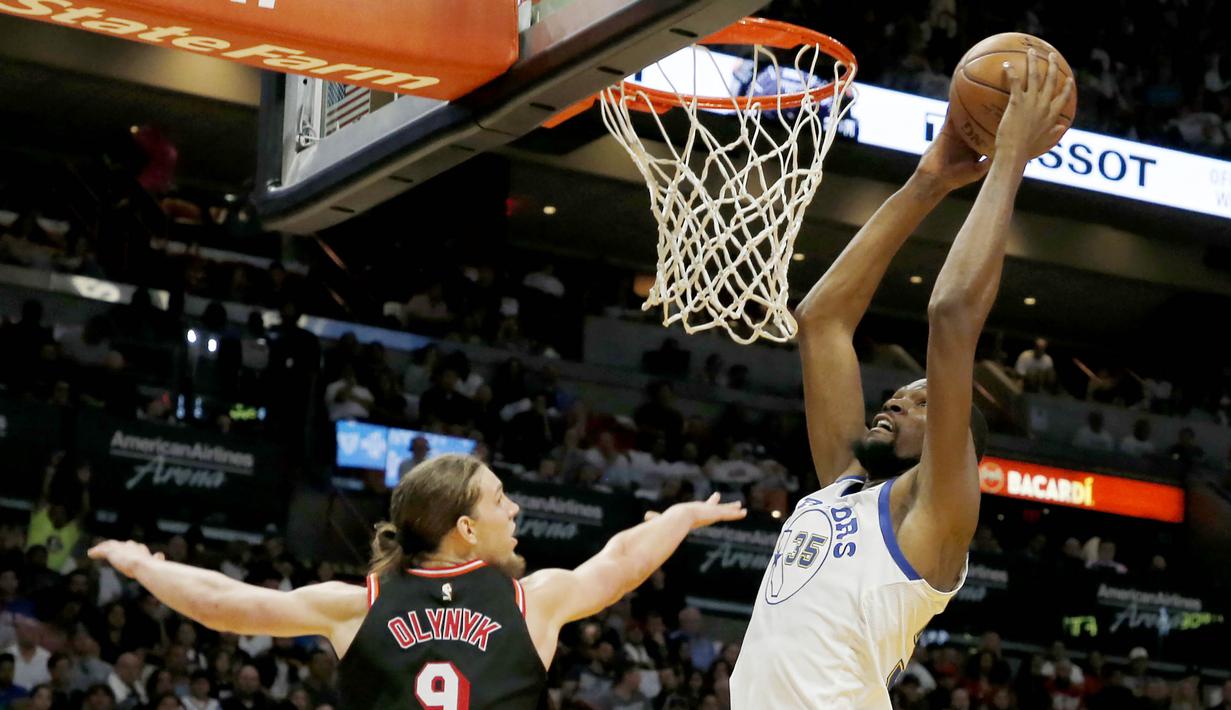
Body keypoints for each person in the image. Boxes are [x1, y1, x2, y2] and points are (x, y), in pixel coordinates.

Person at [729, 51, 1072, 708]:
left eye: (921, 402)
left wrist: (1010, 158)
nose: (898, 398)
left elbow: (952, 315)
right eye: (904, 393)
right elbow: (822, 321)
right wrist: (926, 182)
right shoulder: (844, 483)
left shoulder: (934, 513)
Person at [89, 454, 744, 710]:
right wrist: (682, 516)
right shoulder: (531, 603)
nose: (514, 509)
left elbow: (224, 605)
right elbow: (621, 563)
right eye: (500, 499)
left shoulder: (355, 606)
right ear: (465, 528)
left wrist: (145, 565)